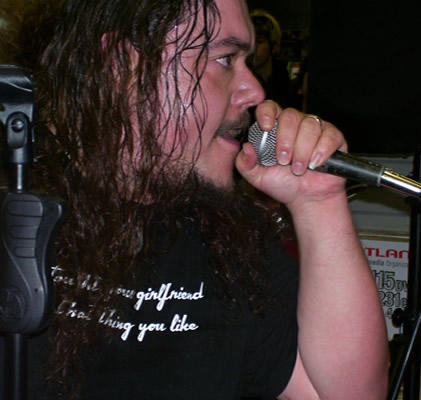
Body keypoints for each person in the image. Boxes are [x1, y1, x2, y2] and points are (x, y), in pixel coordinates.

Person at [0, 0, 388, 399]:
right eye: (225, 58)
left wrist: (318, 203)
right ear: (122, 65)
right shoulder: (14, 211)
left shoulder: (232, 242)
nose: (255, 91)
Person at [250, 9, 294, 108]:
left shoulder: (282, 78)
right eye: (249, 43)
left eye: (259, 42)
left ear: (274, 47)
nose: (252, 48)